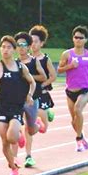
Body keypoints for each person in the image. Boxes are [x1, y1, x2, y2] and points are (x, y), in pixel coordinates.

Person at [0, 36, 36, 175]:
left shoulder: (20, 66)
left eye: (9, 47)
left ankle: (19, 135)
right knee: (4, 142)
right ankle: (13, 169)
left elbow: (32, 82)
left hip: (17, 107)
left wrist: (29, 94)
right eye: (3, 47)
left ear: (14, 50)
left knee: (11, 137)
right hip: (3, 107)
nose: (5, 50)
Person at [57, 25, 88, 151]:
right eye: (76, 37)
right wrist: (70, 66)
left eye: (81, 38)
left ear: (86, 40)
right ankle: (81, 137)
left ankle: (78, 140)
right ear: (73, 39)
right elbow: (59, 70)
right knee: (73, 121)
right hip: (70, 90)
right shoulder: (66, 54)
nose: (78, 40)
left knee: (78, 110)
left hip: (85, 89)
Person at [14, 31, 47, 167]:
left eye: (24, 45)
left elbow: (43, 77)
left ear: (28, 47)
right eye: (18, 45)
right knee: (14, 127)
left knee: (30, 129)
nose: (21, 47)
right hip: (16, 100)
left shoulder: (34, 61)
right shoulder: (13, 62)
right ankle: (16, 158)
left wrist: (28, 76)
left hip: (32, 99)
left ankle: (36, 125)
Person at [27, 25, 57, 163]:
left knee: (43, 129)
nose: (33, 44)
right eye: (31, 41)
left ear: (42, 43)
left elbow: (53, 76)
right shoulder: (25, 59)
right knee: (28, 124)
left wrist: (42, 85)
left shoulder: (45, 59)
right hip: (28, 96)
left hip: (42, 93)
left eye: (36, 41)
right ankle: (28, 155)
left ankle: (48, 113)